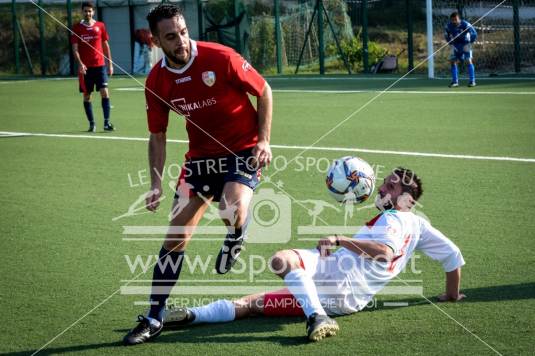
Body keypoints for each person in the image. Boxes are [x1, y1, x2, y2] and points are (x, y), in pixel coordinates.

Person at [162, 168, 466, 342]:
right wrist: (452, 295)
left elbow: (385, 253)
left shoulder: (393, 219)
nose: (382, 187)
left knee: (282, 259)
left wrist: (340, 239)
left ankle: (316, 315)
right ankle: (193, 315)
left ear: (404, 199)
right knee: (253, 303)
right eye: (385, 181)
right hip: (342, 298)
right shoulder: (419, 224)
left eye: (390, 185)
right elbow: (453, 256)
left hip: (335, 279)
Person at [123, 3, 273, 345]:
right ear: (158, 42)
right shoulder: (157, 80)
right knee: (175, 237)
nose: (182, 41)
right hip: (201, 161)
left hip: (241, 152)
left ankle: (236, 233)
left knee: (231, 209)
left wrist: (263, 140)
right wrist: (156, 183)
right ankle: (154, 316)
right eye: (171, 37)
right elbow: (157, 135)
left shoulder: (221, 57)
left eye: (184, 32)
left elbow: (263, 90)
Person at [71, 1, 115, 132]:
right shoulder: (76, 28)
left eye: (90, 11)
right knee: (87, 96)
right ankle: (92, 124)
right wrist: (80, 64)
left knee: (105, 92)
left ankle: (107, 123)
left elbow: (106, 45)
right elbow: (75, 49)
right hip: (85, 69)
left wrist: (110, 63)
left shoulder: (100, 26)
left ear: (93, 12)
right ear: (82, 12)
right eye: (85, 11)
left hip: (100, 66)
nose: (88, 13)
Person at [444, 11, 478, 87]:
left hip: (466, 44)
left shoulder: (465, 24)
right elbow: (446, 35)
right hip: (455, 45)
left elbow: (474, 33)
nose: (454, 21)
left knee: (469, 60)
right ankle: (455, 82)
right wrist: (450, 43)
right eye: (452, 20)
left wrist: (470, 41)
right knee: (452, 61)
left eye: (455, 19)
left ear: (459, 19)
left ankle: (472, 81)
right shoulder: (449, 26)